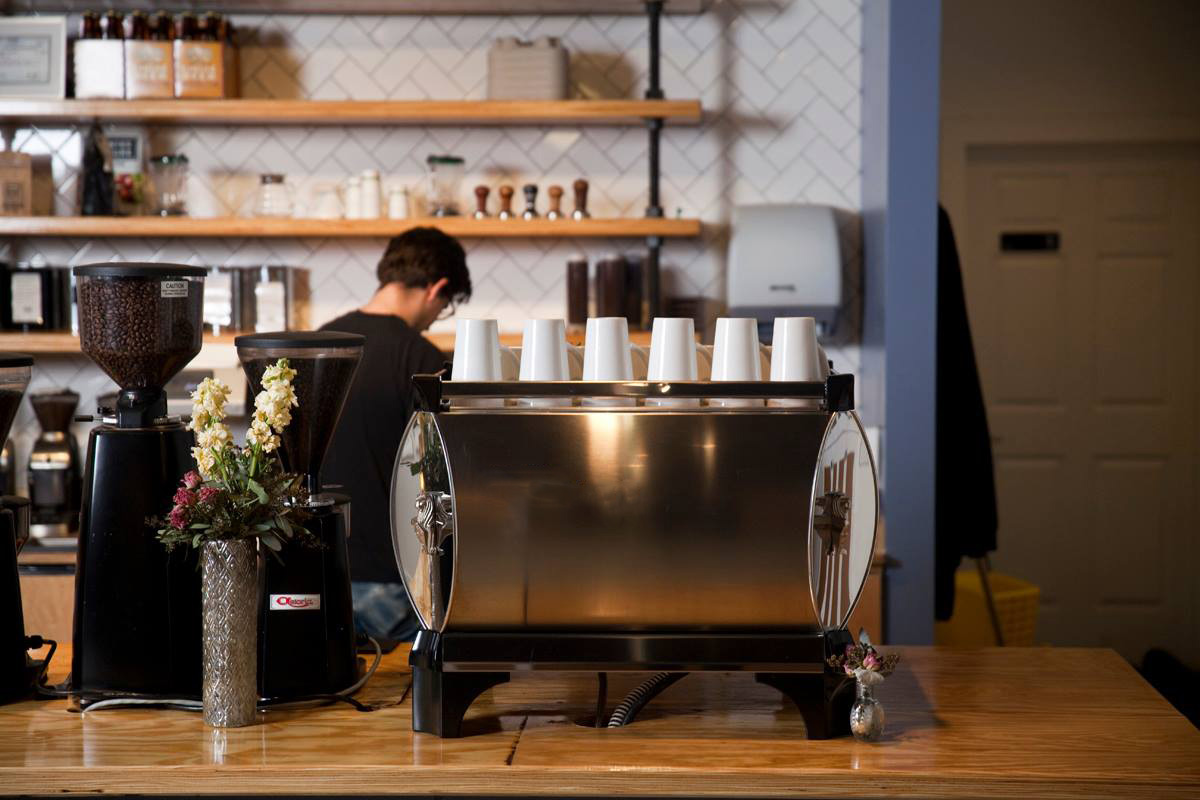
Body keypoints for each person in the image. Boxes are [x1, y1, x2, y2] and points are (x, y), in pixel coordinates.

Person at [320, 227, 471, 643]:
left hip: (318, 578)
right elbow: (438, 477)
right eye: (443, 306)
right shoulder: (423, 359)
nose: (435, 317)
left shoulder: (320, 344)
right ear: (437, 288)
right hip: (393, 584)